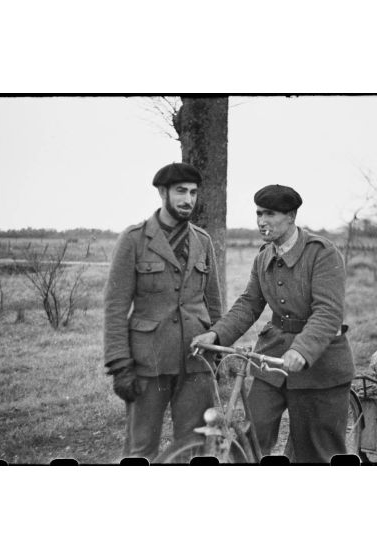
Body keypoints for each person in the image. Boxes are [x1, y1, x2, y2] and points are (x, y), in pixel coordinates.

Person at [192, 184, 355, 463]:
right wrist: (216, 335)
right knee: (250, 438)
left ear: (291, 216)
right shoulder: (264, 255)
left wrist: (302, 350)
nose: (261, 222)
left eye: (270, 214)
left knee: (316, 452)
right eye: (258, 214)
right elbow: (249, 304)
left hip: (319, 365)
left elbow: (328, 312)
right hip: (273, 359)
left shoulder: (322, 253)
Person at [103, 162, 223, 461]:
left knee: (193, 448)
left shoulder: (202, 241)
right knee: (140, 449)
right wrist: (120, 365)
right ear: (162, 192)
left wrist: (217, 353)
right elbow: (116, 307)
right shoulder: (134, 239)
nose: (188, 200)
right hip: (148, 362)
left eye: (194, 192)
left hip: (196, 360)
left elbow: (214, 304)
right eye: (181, 191)